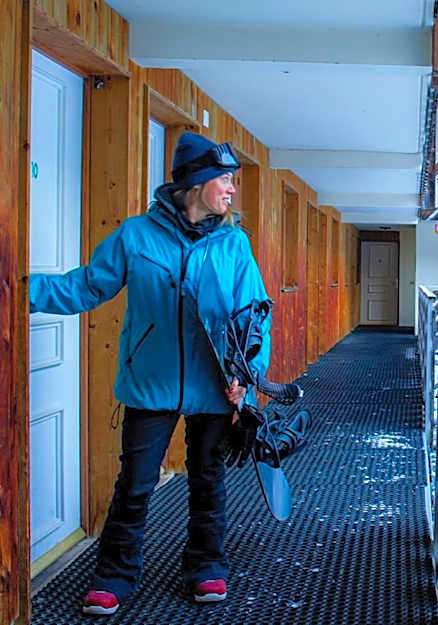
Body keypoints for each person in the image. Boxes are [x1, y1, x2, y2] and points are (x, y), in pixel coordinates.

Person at [29, 132, 270, 615]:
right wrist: (18, 289)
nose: (230, 189)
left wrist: (250, 374)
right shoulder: (136, 236)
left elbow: (254, 317)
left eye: (232, 180)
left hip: (215, 387)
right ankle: (113, 576)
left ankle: (207, 568)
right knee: (136, 484)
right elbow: (86, 287)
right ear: (196, 182)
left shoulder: (234, 244)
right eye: (224, 178)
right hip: (149, 384)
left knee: (208, 481)